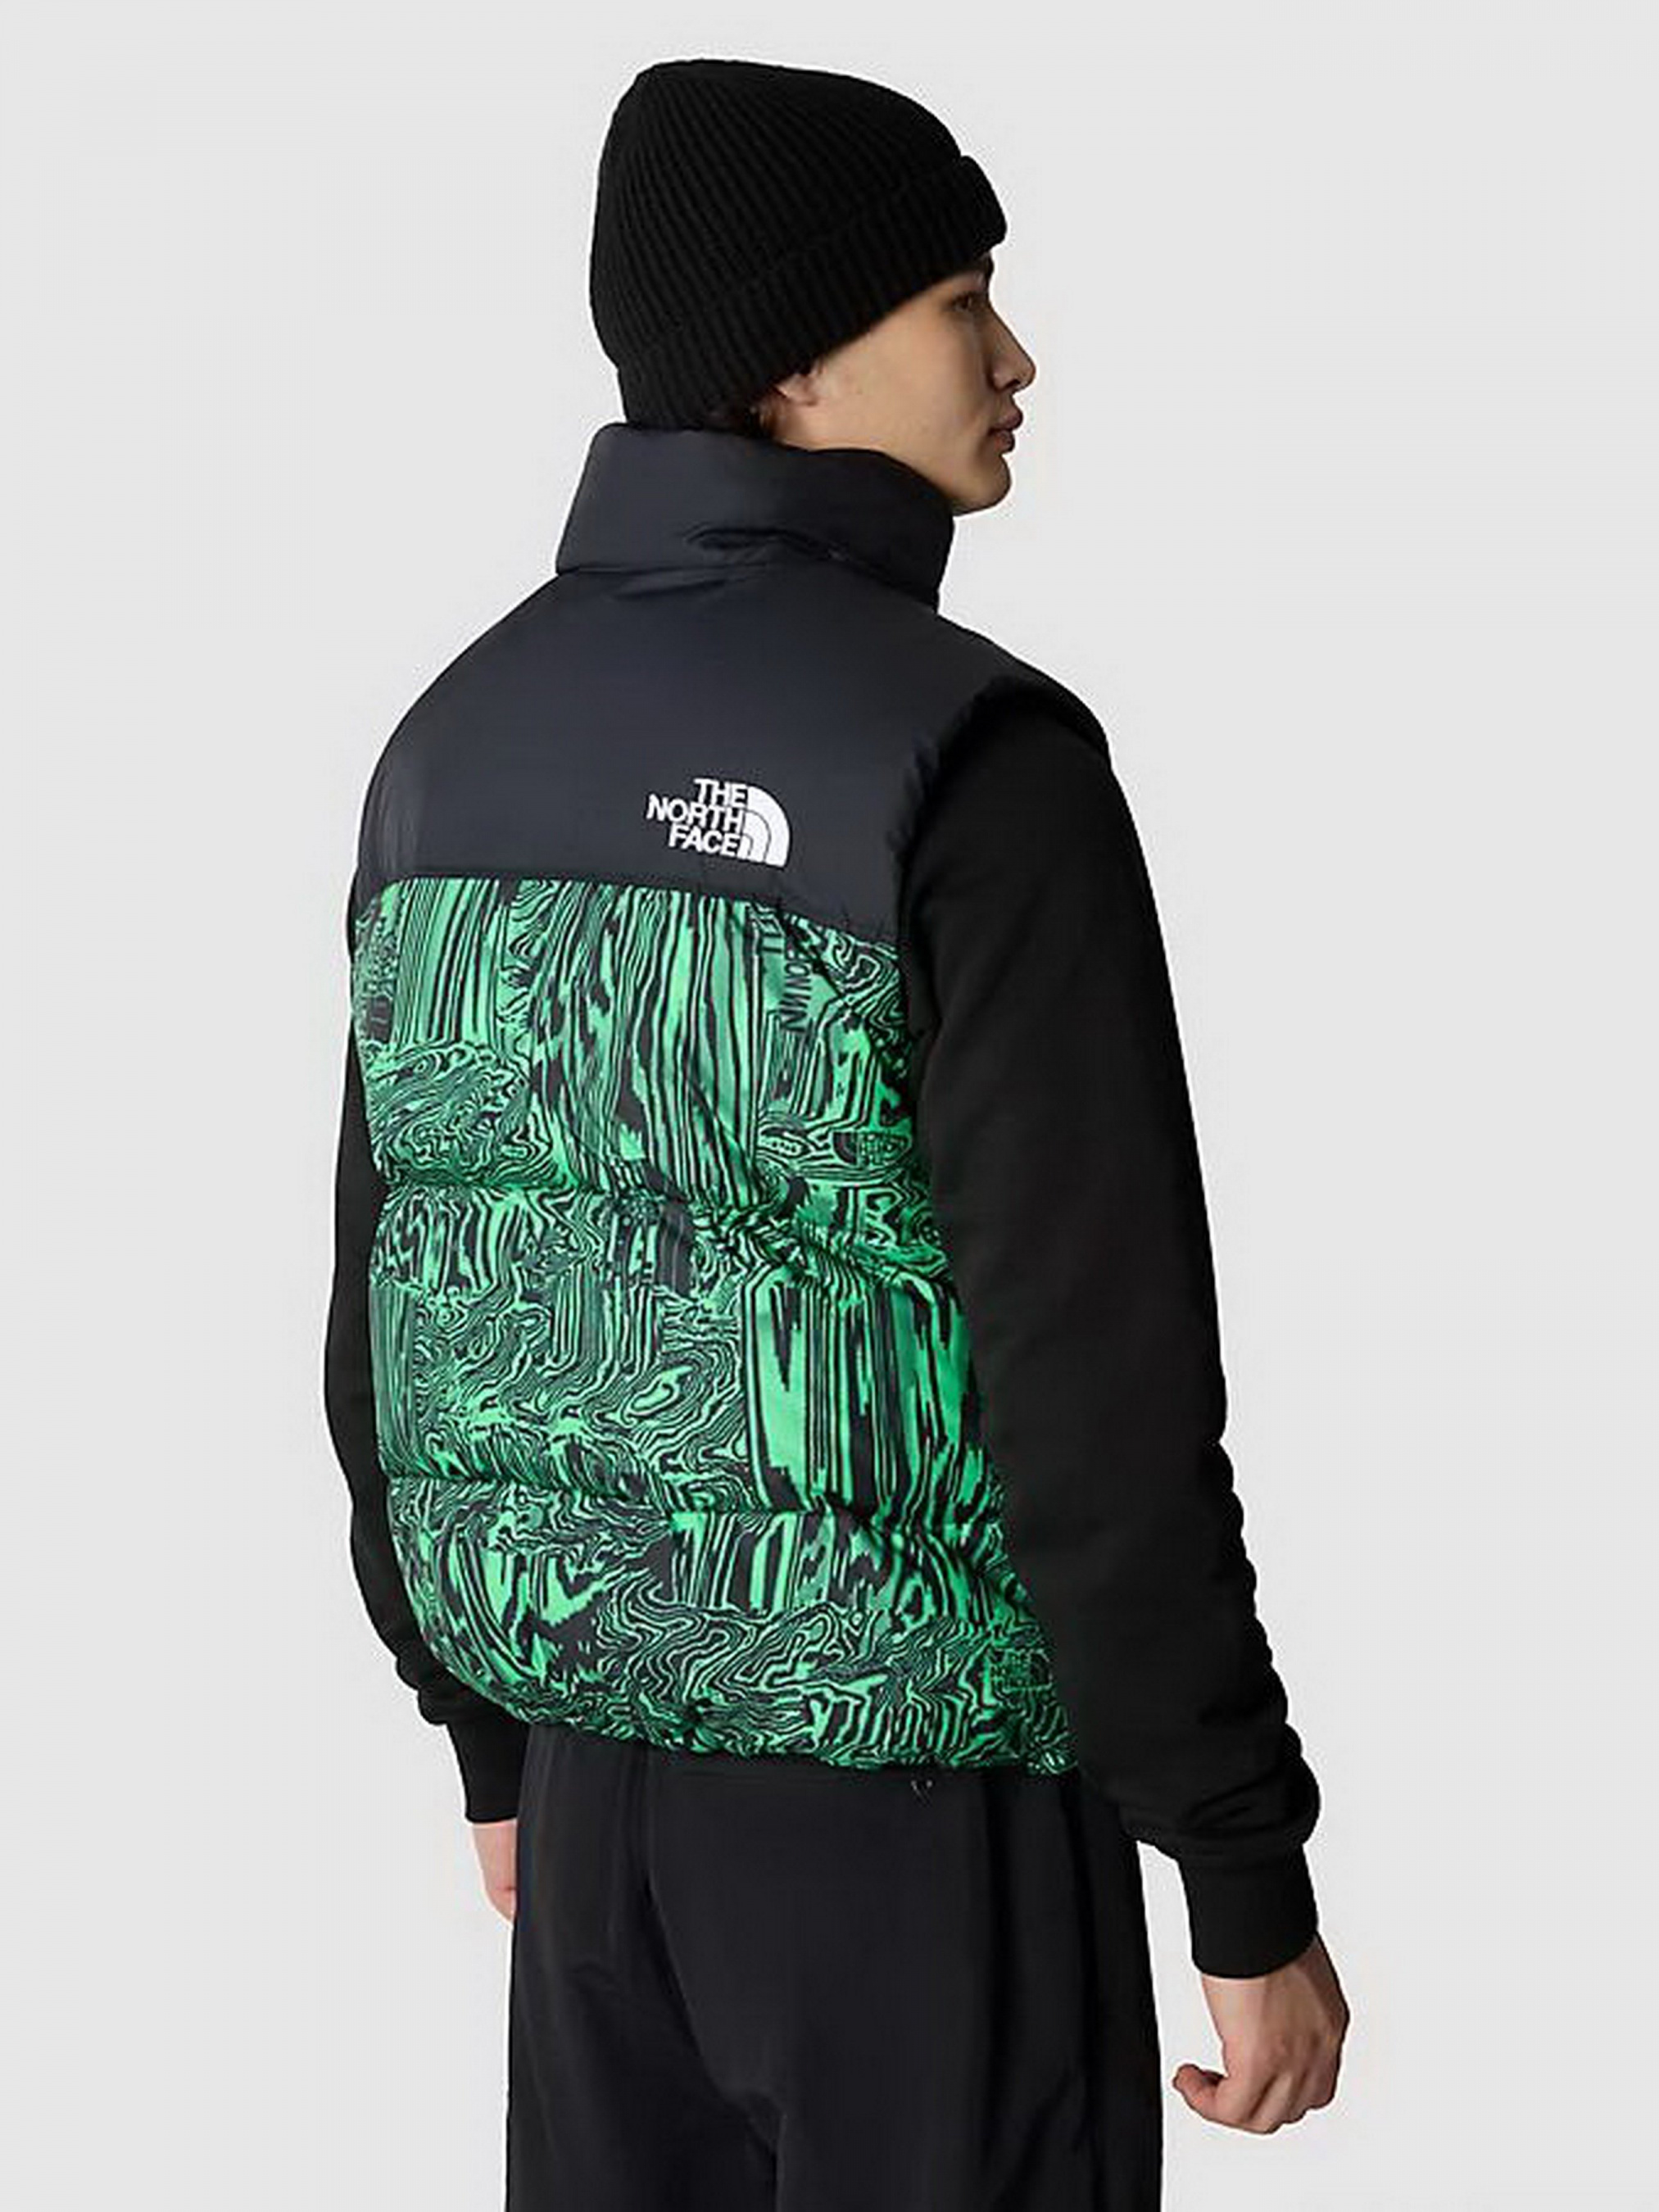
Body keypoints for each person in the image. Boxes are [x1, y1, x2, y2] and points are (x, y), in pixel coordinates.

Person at [323, 54, 1349, 2211]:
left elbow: (391, 1309)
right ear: (793, 364)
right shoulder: (971, 763)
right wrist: (1239, 1866)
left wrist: (489, 1737)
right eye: (960, 300)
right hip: (924, 1823)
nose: (1015, 356)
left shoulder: (452, 741)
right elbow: (1098, 1385)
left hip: (593, 1825)